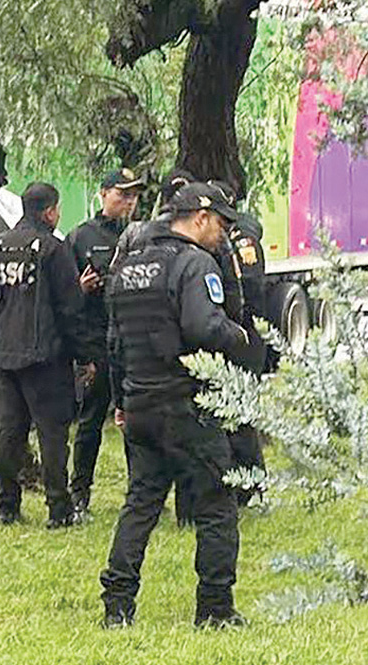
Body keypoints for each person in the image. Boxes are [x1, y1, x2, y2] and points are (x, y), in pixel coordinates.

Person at [100, 182, 254, 628]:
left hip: (141, 404)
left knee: (141, 503)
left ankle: (118, 605)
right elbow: (204, 326)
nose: (224, 234)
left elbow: (115, 343)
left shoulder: (127, 267)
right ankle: (215, 609)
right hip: (186, 406)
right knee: (216, 506)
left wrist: (121, 401)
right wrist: (242, 339)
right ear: (199, 218)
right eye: (222, 224)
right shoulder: (194, 264)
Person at [0, 182, 97, 528]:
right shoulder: (53, 248)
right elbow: (70, 309)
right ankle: (59, 509)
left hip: (6, 354)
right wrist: (85, 355)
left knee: (9, 431)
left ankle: (6, 505)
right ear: (50, 211)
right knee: (52, 434)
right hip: (45, 356)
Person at [66, 168, 143, 515]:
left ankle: (140, 493)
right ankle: (79, 493)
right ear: (102, 195)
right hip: (97, 340)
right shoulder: (81, 237)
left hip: (135, 340)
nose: (128, 201)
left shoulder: (144, 235)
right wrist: (81, 291)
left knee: (138, 420)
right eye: (121, 194)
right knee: (91, 422)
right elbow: (64, 297)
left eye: (133, 195)